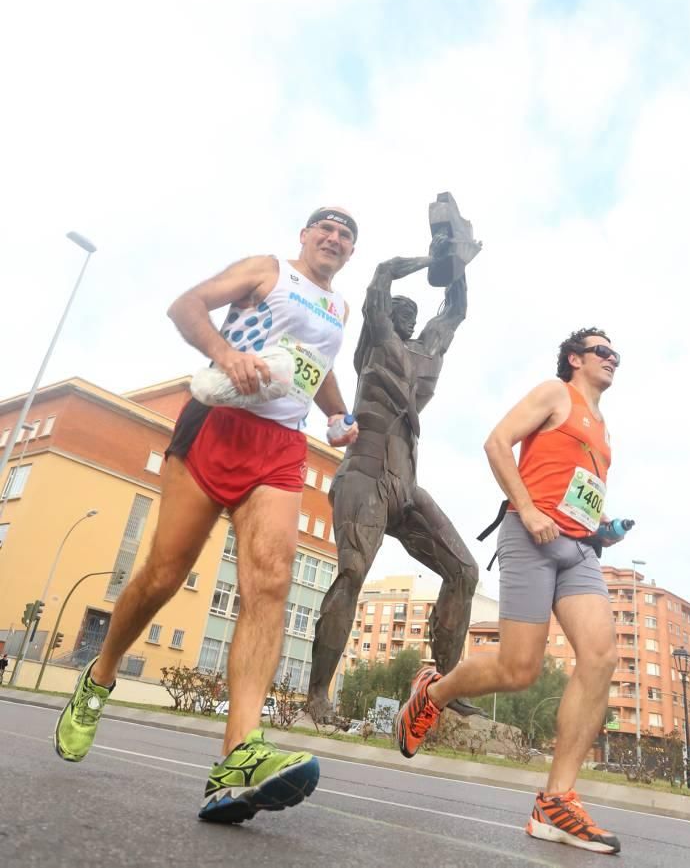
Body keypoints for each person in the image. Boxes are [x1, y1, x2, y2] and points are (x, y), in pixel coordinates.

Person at [54, 206, 360, 826]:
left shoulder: (340, 310)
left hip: (280, 448)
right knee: (165, 575)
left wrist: (337, 412)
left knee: (270, 583)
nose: (334, 238)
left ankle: (238, 759)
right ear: (304, 236)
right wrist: (225, 353)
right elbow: (186, 305)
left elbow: (314, 363)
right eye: (324, 228)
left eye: (346, 234)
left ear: (351, 251)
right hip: (216, 423)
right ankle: (101, 675)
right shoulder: (266, 270)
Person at [396, 327, 624, 855]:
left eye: (616, 354)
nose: (612, 360)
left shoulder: (603, 426)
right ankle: (431, 693)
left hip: (579, 547)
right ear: (575, 358)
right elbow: (497, 443)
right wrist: (525, 507)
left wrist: (600, 521)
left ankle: (556, 802)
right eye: (602, 352)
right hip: (531, 536)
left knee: (602, 656)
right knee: (519, 670)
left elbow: (572, 486)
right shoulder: (553, 392)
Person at [307, 247, 480, 721]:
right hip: (364, 475)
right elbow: (381, 278)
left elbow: (455, 312)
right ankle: (317, 695)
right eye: (398, 310)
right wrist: (431, 258)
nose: (405, 313)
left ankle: (445, 691)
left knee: (464, 570)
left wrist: (457, 264)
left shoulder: (426, 355)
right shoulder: (376, 345)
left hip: (405, 484)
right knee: (352, 574)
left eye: (411, 312)